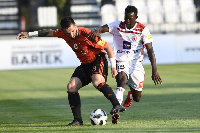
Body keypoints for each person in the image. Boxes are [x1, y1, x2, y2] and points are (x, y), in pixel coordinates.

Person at [16, 16, 126, 126]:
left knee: (97, 82)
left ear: (75, 25)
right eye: (68, 33)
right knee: (71, 86)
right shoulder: (63, 33)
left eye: (72, 31)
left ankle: (116, 104)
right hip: (85, 65)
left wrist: (113, 67)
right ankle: (78, 120)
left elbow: (108, 48)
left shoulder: (87, 34)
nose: (71, 35)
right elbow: (48, 32)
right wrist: (29, 34)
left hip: (98, 59)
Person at [89, 5, 162, 124]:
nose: (127, 21)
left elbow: (150, 51)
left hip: (136, 63)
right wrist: (97, 31)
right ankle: (116, 108)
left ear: (136, 18)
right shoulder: (117, 25)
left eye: (130, 19)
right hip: (121, 60)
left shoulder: (143, 30)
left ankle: (130, 95)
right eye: (126, 18)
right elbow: (103, 28)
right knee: (121, 79)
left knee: (137, 97)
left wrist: (155, 71)